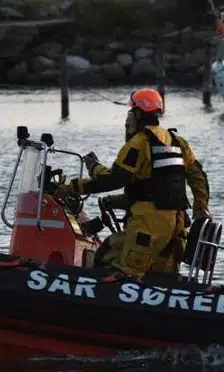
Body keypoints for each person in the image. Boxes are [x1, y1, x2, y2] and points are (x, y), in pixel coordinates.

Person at [68, 88, 210, 278]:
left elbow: (115, 179)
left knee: (107, 258)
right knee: (162, 278)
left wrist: (75, 187)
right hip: (176, 228)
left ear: (137, 114)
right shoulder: (177, 142)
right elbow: (197, 177)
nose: (127, 119)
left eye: (130, 113)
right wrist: (200, 208)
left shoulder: (139, 143)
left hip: (147, 228)